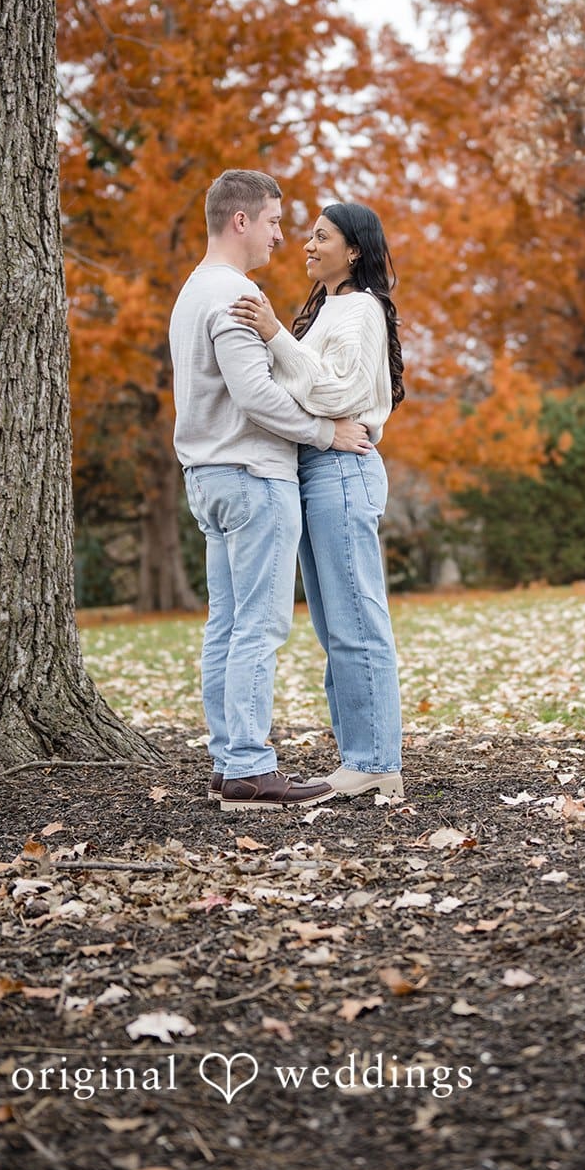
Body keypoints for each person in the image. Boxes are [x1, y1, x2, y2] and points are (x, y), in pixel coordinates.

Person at [169, 170, 373, 813]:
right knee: (256, 627)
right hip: (253, 476)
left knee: (226, 626)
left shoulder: (191, 292)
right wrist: (323, 432)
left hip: (209, 476)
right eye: (276, 222)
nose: (283, 236)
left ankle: (230, 760)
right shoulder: (233, 292)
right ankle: (252, 770)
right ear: (241, 222)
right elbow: (255, 394)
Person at [230, 201, 405, 802]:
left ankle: (377, 761)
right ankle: (363, 756)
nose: (305, 244)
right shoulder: (329, 308)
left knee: (357, 623)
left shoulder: (359, 309)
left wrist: (276, 335)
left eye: (320, 237)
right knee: (338, 629)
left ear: (353, 250)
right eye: (306, 235)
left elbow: (339, 391)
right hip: (318, 468)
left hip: (343, 469)